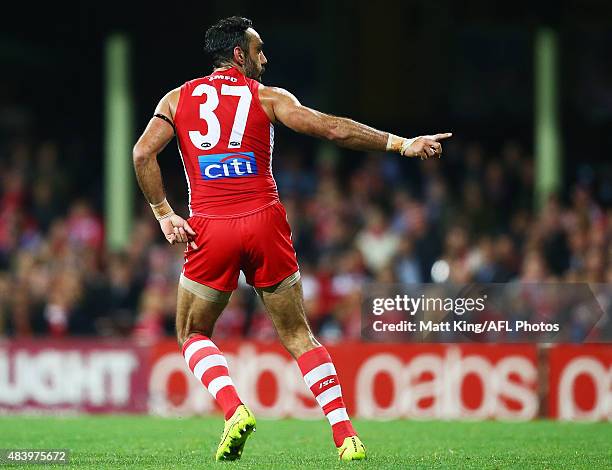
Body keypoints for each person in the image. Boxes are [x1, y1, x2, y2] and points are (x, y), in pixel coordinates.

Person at [133, 15, 451, 462]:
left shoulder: (177, 98)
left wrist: (164, 214)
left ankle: (234, 410)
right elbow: (332, 128)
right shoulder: (266, 97)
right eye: (259, 49)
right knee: (299, 335)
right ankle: (345, 436)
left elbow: (143, 152)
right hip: (265, 220)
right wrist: (401, 144)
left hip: (211, 225)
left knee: (191, 332)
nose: (266, 57)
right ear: (239, 55)